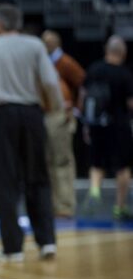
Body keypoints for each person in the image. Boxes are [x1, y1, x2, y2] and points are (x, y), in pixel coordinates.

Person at [0, 3, 64, 261]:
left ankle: (13, 248)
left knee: (5, 182)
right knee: (39, 178)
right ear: (19, 23)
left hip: (2, 115)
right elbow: (50, 81)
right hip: (32, 114)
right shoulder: (35, 45)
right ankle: (47, 241)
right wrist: (55, 107)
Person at [80, 35, 133, 220]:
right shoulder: (124, 74)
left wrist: (87, 123)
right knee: (122, 167)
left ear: (106, 50)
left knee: (97, 163)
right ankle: (119, 207)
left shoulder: (93, 69)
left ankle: (94, 192)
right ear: (123, 53)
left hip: (96, 125)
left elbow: (83, 96)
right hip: (119, 127)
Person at [41, 30, 85, 218]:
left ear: (57, 43)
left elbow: (83, 84)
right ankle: (52, 204)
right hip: (44, 114)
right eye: (44, 41)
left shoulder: (65, 62)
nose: (46, 45)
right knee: (47, 162)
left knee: (62, 161)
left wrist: (75, 109)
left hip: (60, 117)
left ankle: (65, 205)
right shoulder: (42, 62)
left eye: (49, 42)